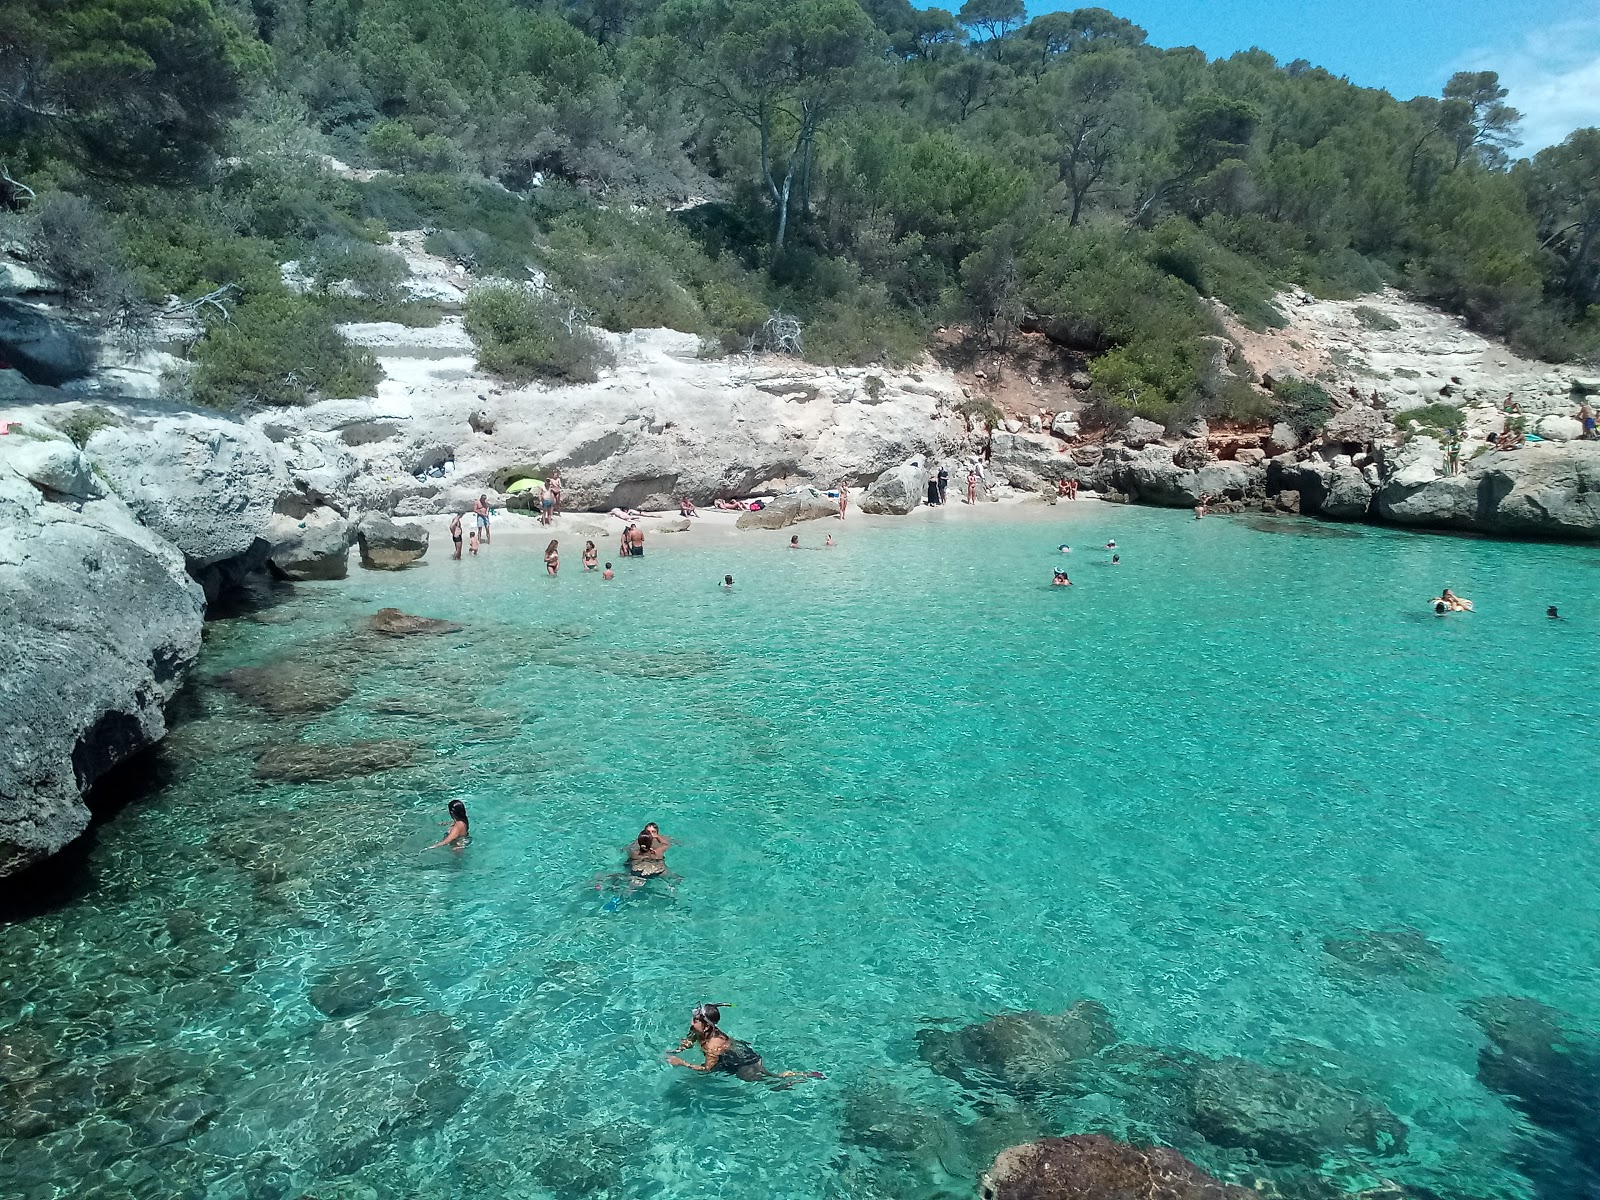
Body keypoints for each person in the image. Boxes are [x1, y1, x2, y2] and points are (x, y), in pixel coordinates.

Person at [666, 1004, 820, 1083]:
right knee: (770, 1078)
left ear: (706, 1026)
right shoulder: (701, 1030)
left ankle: (803, 1077)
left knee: (773, 1083)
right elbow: (691, 1038)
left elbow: (706, 1069)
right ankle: (798, 1077)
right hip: (738, 1052)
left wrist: (682, 1063)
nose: (691, 1023)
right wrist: (679, 1049)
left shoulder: (713, 1046)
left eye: (695, 1021)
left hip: (743, 1065)